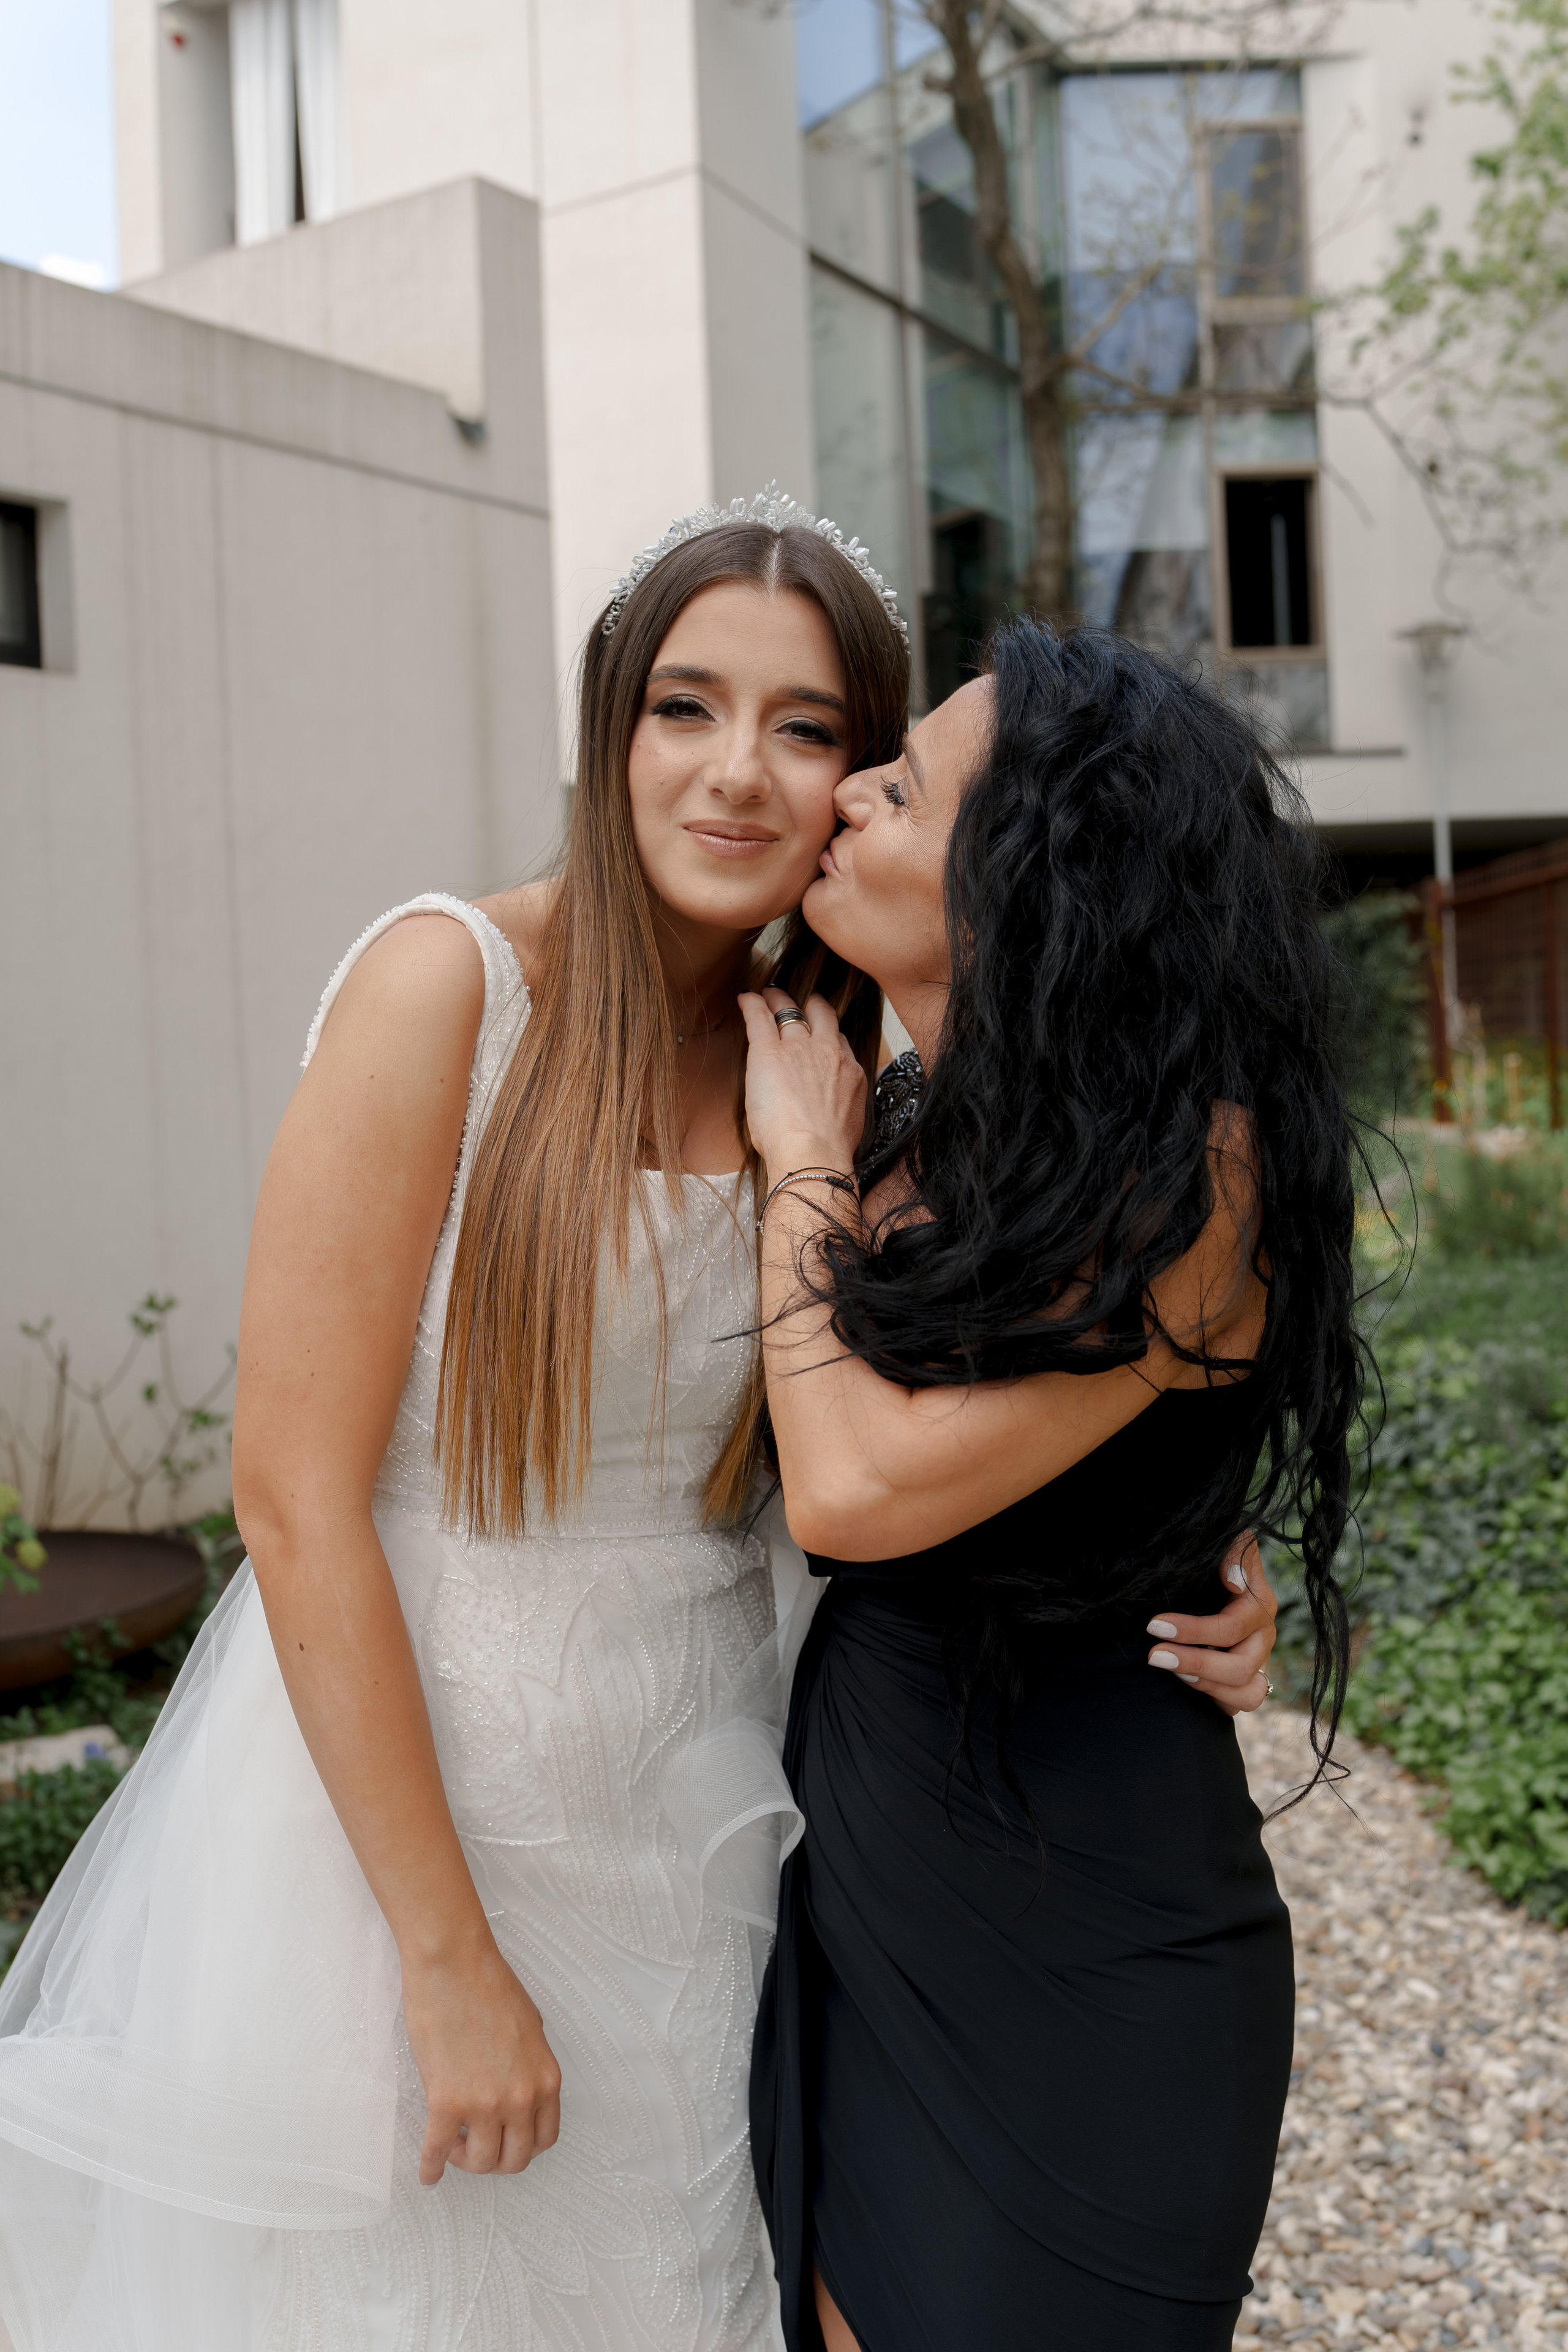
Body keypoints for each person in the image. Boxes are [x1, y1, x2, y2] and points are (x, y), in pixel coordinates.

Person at [0, 497, 1279, 2352]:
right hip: (428, 1816)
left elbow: (994, 1388)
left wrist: (1188, 1557)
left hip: (720, 1824)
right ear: (613, 726)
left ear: (872, 779)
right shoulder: (451, 987)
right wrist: (441, 1962)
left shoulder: (839, 1071)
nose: (740, 775)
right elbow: (288, 1495)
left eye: (813, 728)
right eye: (686, 707)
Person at [741, 625, 1359, 2352]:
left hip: (1092, 1930)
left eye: (904, 780)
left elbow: (852, 1491)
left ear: (1036, 875)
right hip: (866, 1880)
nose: (850, 791)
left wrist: (797, 1161)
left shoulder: (1197, 1171)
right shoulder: (909, 1128)